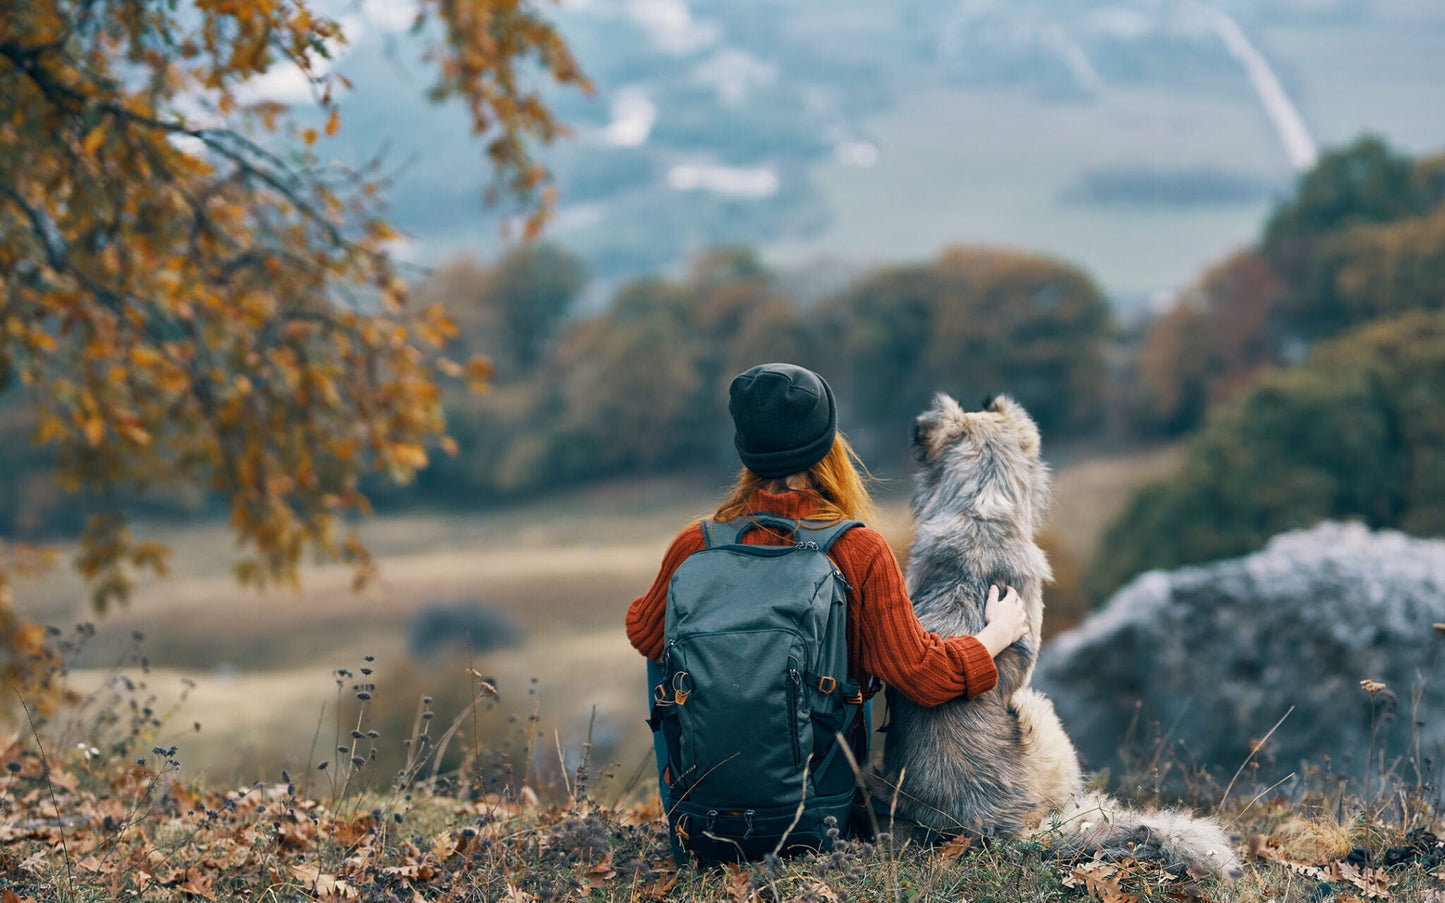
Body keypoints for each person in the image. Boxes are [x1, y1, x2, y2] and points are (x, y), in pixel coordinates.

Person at [625, 362, 1028, 844]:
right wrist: (996, 635)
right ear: (828, 444)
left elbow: (644, 632)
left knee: (664, 655)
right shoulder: (858, 550)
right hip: (819, 822)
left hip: (704, 828)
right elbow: (921, 675)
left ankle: (686, 802)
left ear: (745, 449)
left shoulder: (696, 544)